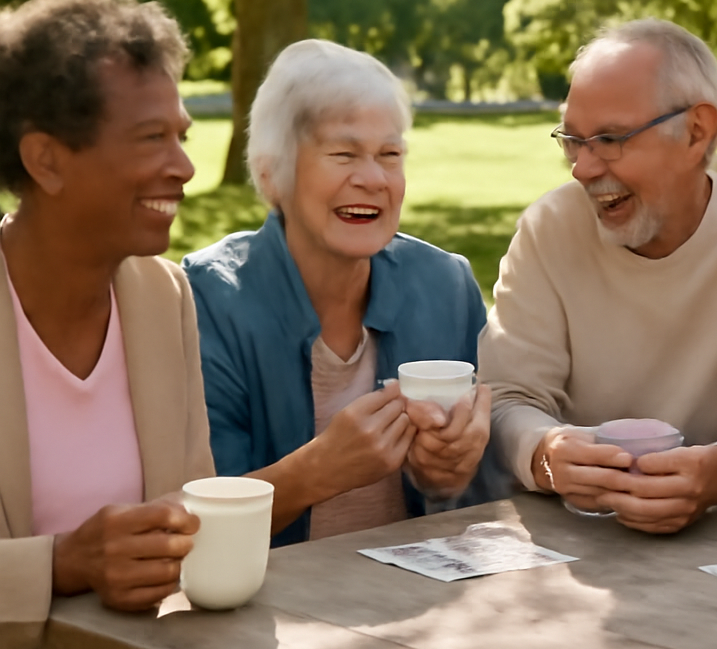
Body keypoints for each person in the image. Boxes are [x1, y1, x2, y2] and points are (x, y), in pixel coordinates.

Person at [0, 0, 318, 649]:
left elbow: (188, 507)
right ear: (46, 158)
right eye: (151, 140)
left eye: (181, 134)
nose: (183, 166)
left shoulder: (161, 293)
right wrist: (65, 564)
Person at [479, 19, 717, 533]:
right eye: (573, 141)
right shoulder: (548, 230)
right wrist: (546, 451)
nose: (581, 168)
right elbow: (507, 400)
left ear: (697, 132)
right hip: (569, 544)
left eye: (609, 139)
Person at [183, 40, 493, 548]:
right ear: (271, 175)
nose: (373, 179)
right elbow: (196, 520)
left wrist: (450, 474)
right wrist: (319, 470)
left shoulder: (447, 285)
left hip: (426, 607)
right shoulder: (207, 299)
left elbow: (480, 491)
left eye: (389, 155)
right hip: (270, 615)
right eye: (344, 154)